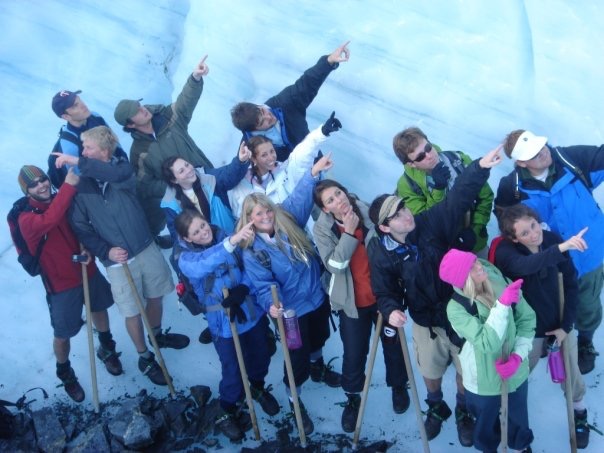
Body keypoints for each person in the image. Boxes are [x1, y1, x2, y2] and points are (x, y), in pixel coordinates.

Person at [367, 145, 503, 446]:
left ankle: (463, 410)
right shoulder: (381, 252)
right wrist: (390, 310)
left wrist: (480, 166)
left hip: (460, 312)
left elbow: (457, 200)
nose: (406, 215)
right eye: (398, 215)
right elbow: (384, 289)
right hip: (425, 321)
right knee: (430, 368)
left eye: (404, 208)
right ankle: (436, 405)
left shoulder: (428, 223)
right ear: (385, 227)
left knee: (465, 366)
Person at [53, 126, 189, 386]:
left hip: (144, 245)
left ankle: (156, 334)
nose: (83, 152)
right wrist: (106, 251)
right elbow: (80, 226)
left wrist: (78, 162)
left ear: (104, 151)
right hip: (117, 260)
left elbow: (114, 174)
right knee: (131, 310)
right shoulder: (81, 186)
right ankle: (144, 356)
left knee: (155, 295)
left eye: (88, 148)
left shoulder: (122, 171)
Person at [236, 155, 341, 436]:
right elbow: (261, 286)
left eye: (266, 210)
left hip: (316, 297)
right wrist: (272, 305)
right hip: (291, 311)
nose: (266, 216)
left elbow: (302, 196)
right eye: (258, 214)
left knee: (320, 337)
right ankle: (295, 397)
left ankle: (318, 367)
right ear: (249, 219)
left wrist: (314, 172)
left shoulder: (287, 218)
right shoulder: (253, 250)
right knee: (296, 356)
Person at [494, 129, 604, 374]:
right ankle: (552, 337)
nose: (543, 152)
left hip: (588, 254)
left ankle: (585, 342)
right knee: (550, 303)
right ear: (521, 162)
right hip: (547, 262)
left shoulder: (571, 160)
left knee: (587, 302)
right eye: (533, 153)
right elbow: (506, 223)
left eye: (541, 145)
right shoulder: (511, 187)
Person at [16, 165, 122, 402]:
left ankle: (107, 347)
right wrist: (69, 184)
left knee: (99, 307)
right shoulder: (27, 220)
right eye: (34, 184)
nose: (42, 185)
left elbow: (81, 226)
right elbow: (50, 219)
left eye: (43, 179)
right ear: (27, 192)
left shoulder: (62, 201)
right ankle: (64, 371)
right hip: (61, 285)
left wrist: (89, 253)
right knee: (63, 333)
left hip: (87, 269)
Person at [313, 179, 409, 433]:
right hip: (351, 303)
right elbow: (333, 266)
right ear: (325, 209)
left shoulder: (365, 211)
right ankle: (353, 397)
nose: (338, 200)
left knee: (393, 346)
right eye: (330, 200)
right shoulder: (323, 230)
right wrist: (347, 234)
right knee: (354, 353)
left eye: (338, 193)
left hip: (383, 298)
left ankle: (398, 385)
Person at [175, 209, 279, 442]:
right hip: (223, 323)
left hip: (249, 311)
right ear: (187, 239)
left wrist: (243, 288)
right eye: (196, 232)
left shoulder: (227, 236)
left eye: (203, 226)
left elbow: (252, 268)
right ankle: (227, 407)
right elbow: (201, 266)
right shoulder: (187, 258)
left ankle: (258, 386)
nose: (203, 232)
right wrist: (229, 243)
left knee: (261, 354)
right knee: (232, 367)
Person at [494, 204, 592, 448]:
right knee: (517, 377)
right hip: (527, 331)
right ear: (514, 238)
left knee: (571, 374)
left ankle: (579, 413)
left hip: (558, 324)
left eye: (534, 226)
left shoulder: (551, 239)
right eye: (524, 233)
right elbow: (527, 266)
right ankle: (510, 420)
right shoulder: (507, 252)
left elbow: (570, 283)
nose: (533, 234)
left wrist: (566, 325)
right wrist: (561, 248)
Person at [439, 249, 535, 452]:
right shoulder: (456, 308)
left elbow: (527, 320)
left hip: (515, 375)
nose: (479, 265)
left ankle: (521, 445)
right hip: (482, 381)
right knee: (485, 423)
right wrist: (502, 306)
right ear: (461, 279)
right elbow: (487, 342)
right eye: (471, 267)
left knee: (518, 416)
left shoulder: (503, 283)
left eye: (476, 261)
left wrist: (518, 356)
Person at [114, 55, 214, 243]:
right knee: (205, 234)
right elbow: (144, 185)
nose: (142, 109)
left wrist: (195, 78)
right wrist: (174, 186)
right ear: (130, 125)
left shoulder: (170, 118)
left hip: (209, 178)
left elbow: (185, 101)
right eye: (135, 112)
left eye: (139, 105)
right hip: (186, 200)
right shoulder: (139, 152)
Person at [160, 145, 250, 345]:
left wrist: (241, 161)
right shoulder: (171, 203)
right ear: (174, 180)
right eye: (182, 170)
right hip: (200, 251)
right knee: (210, 288)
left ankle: (252, 316)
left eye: (187, 164)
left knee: (238, 279)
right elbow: (177, 234)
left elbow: (229, 176)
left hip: (226, 239)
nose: (189, 169)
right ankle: (216, 318)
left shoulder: (208, 178)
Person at [230, 41, 350, 162]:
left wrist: (329, 61)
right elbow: (237, 171)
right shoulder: (249, 147)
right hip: (287, 178)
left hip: (314, 160)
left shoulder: (285, 103)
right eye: (262, 122)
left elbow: (307, 82)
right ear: (254, 130)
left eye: (262, 111)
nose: (268, 116)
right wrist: (240, 163)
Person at [393, 127, 493, 255]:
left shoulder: (459, 159)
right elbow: (425, 223)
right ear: (411, 164)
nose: (429, 156)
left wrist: (475, 230)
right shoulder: (407, 185)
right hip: (444, 251)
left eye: (428, 148)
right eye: (420, 157)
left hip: (476, 242)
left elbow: (486, 196)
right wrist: (438, 189)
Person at [228, 112, 342, 219]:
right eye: (264, 155)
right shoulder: (242, 186)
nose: (271, 157)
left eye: (272, 151)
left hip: (300, 224)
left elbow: (302, 153)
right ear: (254, 159)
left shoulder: (285, 169)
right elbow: (240, 217)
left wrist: (322, 132)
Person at [48, 89, 128, 188]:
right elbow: (82, 184)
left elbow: (115, 144)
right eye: (75, 106)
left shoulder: (95, 116)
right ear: (66, 117)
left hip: (120, 174)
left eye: (79, 100)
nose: (83, 105)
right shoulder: (70, 147)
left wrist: (126, 166)